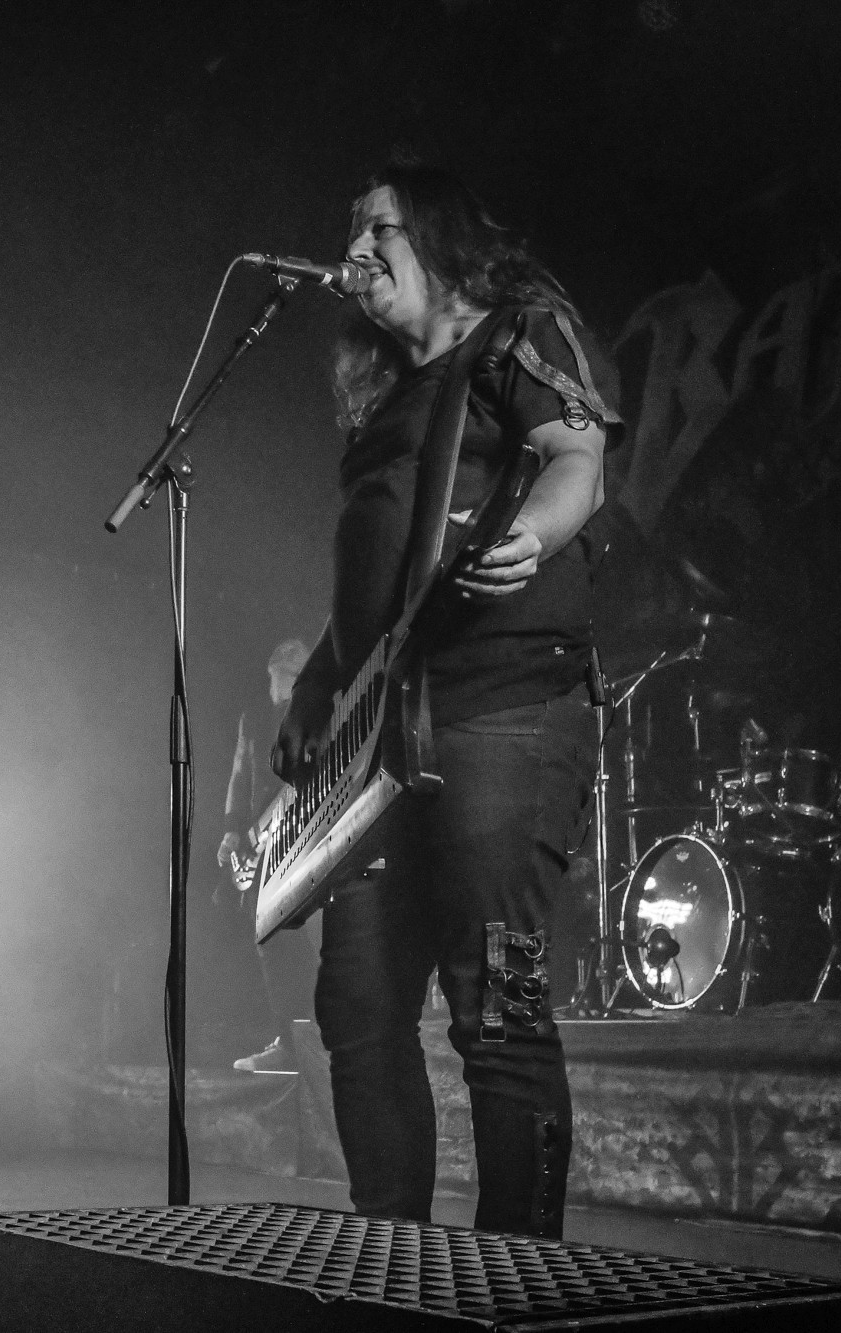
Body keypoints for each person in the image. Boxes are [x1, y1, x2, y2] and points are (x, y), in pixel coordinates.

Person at [273, 160, 619, 1237]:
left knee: (495, 1006)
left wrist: (532, 535)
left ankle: (519, 1270)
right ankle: (393, 1256)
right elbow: (376, 586)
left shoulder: (517, 332)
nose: (355, 249)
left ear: (443, 236)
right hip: (379, 736)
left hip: (504, 705)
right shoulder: (386, 402)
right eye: (351, 228)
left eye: (380, 227)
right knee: (358, 1005)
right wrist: (319, 684)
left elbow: (576, 453)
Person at [217, 638, 318, 1074]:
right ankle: (289, 1041)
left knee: (304, 939)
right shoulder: (254, 719)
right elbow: (241, 775)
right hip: (263, 838)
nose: (280, 686)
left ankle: (307, 1040)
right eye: (280, 675)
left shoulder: (318, 709)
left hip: (308, 832)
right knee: (270, 940)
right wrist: (232, 829)